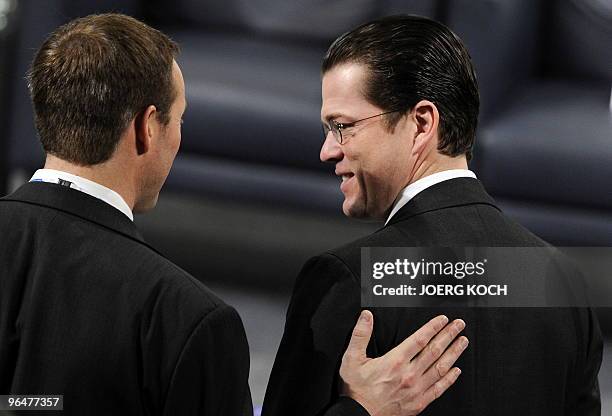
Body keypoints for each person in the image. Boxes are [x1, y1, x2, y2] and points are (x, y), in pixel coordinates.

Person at [0, 14, 466, 416]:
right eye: (178, 120)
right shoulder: (188, 322)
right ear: (146, 128)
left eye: (341, 127)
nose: (328, 150)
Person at [263, 15, 603, 416]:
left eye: (343, 126)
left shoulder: (348, 278)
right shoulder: (560, 280)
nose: (327, 151)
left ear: (421, 123)